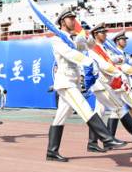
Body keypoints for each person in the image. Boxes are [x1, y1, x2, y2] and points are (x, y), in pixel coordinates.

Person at [45, 10, 126, 162]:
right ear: (63, 22)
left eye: (74, 18)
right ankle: (107, 138)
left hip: (73, 81)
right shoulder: (57, 40)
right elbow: (71, 54)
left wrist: (86, 38)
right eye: (70, 18)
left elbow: (89, 46)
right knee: (85, 108)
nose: (74, 20)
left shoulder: (74, 38)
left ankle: (51, 151)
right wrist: (87, 61)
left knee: (60, 118)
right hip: (65, 82)